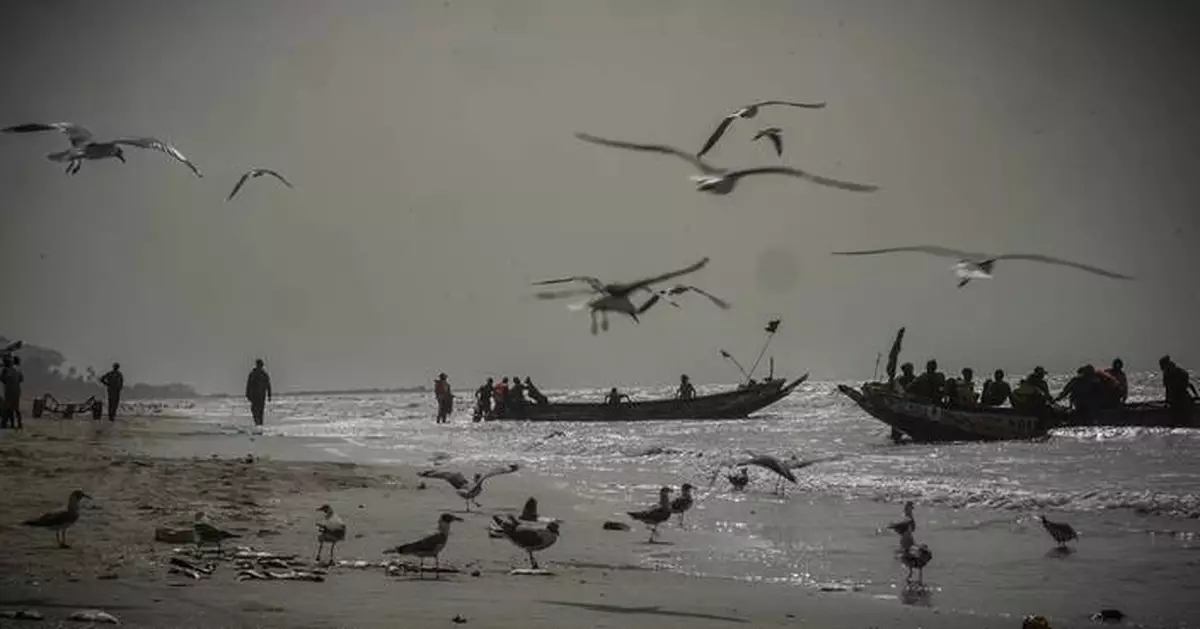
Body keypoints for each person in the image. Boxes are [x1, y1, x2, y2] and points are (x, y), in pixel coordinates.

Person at [1159, 356, 1198, 424]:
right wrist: (1196, 395)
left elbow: (1168, 389)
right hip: (1185, 399)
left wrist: (1167, 401)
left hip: (1178, 401)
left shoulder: (1169, 374)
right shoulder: (1179, 371)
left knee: (1179, 417)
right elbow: (1190, 385)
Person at [245, 359, 273, 427]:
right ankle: (258, 424)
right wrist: (269, 395)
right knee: (257, 411)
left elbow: (268, 385)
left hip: (257, 396)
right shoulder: (261, 374)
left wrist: (269, 395)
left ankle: (259, 424)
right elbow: (249, 385)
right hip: (257, 396)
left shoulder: (257, 374)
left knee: (257, 411)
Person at [1, 354, 23, 429]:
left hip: (9, 391)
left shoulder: (6, 370)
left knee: (6, 408)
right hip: (17, 391)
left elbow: (2, 379)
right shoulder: (18, 370)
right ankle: (19, 424)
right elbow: (21, 379)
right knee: (16, 408)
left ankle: (5, 424)